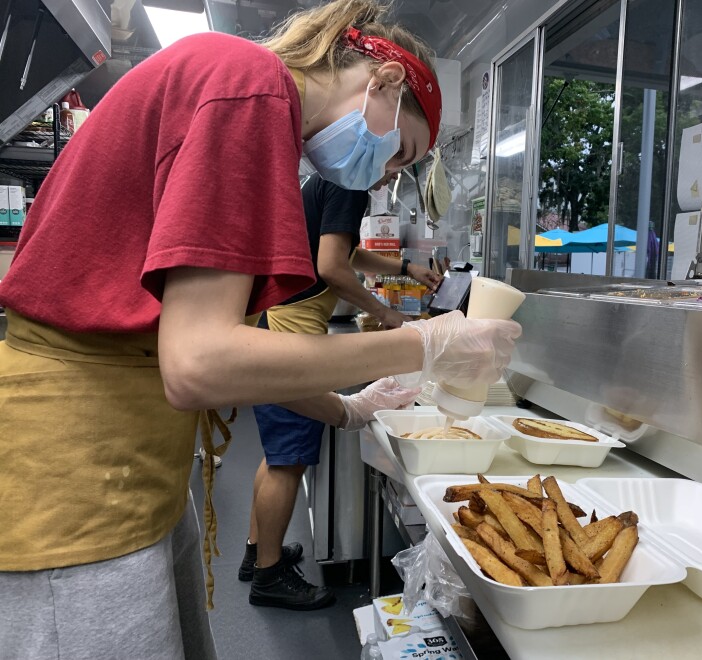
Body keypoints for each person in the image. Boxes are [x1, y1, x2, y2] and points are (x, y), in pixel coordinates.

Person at [0, 1, 521, 657]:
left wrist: (350, 409)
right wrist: (426, 342)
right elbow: (199, 364)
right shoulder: (249, 82)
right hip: (74, 471)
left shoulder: (248, 100)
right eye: (400, 153)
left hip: (127, 458)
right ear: (384, 81)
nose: (388, 172)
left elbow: (216, 351)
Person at [241, 174, 441, 610]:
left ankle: (258, 552)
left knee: (277, 455)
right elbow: (330, 268)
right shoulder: (348, 185)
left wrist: (406, 269)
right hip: (289, 332)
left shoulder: (329, 182)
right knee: (288, 462)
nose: (393, 173)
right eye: (398, 154)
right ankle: (269, 576)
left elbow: (346, 255)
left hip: (275, 320)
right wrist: (384, 313)